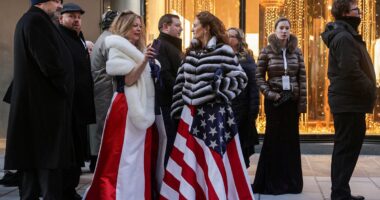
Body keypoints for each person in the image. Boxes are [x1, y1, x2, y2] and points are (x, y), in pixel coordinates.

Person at [160, 11, 254, 200]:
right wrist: (178, 110)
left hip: (213, 115)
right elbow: (180, 83)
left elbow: (240, 79)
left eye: (195, 25)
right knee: (190, 160)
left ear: (206, 28)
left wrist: (218, 89)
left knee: (210, 161)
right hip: (189, 115)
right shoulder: (191, 51)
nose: (192, 28)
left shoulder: (223, 50)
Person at [84, 10, 160, 199]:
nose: (138, 28)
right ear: (124, 26)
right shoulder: (118, 47)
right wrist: (144, 61)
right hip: (125, 108)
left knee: (137, 156)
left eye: (140, 25)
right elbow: (128, 80)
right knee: (124, 155)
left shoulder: (137, 47)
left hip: (139, 107)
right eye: (134, 25)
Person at [4, 0, 75, 199]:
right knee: (47, 166)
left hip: (38, 108)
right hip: (43, 109)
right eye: (56, 1)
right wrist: (64, 87)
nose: (60, 6)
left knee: (33, 167)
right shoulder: (36, 21)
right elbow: (49, 63)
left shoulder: (32, 20)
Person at [321, 1, 377, 199]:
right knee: (346, 148)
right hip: (348, 103)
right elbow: (350, 70)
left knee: (345, 148)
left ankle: (341, 191)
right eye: (356, 10)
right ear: (346, 13)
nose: (359, 14)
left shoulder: (345, 35)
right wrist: (370, 87)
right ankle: (339, 193)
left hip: (349, 102)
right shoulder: (344, 37)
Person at [253, 17, 306, 195]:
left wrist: (301, 102)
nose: (284, 31)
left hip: (291, 101)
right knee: (273, 139)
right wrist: (271, 94)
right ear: (275, 30)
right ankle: (270, 182)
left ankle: (291, 183)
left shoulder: (297, 52)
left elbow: (302, 79)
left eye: (287, 28)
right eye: (281, 28)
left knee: (290, 141)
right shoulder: (266, 51)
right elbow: (258, 77)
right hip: (274, 101)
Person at [58, 3, 96, 199]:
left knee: (77, 151)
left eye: (78, 17)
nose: (76, 20)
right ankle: (66, 190)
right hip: (68, 107)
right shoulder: (59, 37)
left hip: (79, 106)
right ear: (60, 18)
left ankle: (70, 189)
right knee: (68, 152)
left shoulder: (78, 38)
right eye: (71, 16)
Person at [89, 10, 119, 173]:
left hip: (101, 87)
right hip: (105, 88)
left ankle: (97, 161)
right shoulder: (110, 40)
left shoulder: (104, 37)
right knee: (104, 125)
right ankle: (99, 163)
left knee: (101, 125)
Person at [227, 27, 260, 168]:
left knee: (241, 145)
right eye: (226, 35)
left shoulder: (246, 58)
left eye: (231, 36)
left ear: (239, 40)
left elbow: (254, 85)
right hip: (226, 106)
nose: (228, 38)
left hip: (242, 109)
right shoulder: (222, 55)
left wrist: (253, 110)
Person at [155, 14, 183, 168]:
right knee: (170, 143)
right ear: (165, 26)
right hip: (168, 104)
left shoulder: (171, 45)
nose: (181, 29)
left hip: (174, 103)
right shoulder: (160, 45)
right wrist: (181, 91)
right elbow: (165, 75)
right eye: (177, 25)